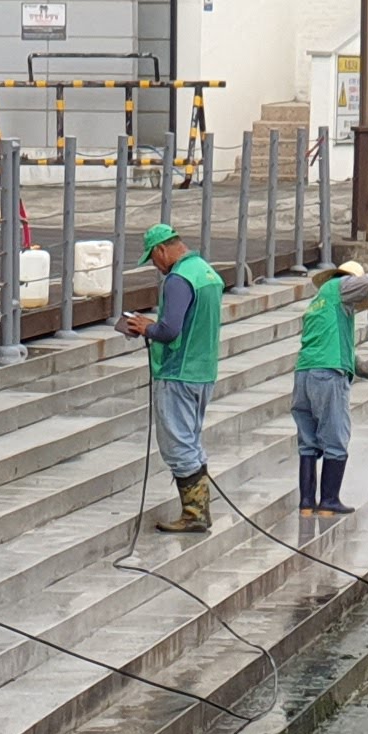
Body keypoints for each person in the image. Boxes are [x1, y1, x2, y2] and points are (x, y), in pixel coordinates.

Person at [115, 222, 224, 533]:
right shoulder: (206, 272)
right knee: (190, 440)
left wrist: (144, 327)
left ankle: (195, 515)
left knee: (178, 445)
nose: (156, 266)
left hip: (178, 373)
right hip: (203, 372)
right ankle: (198, 510)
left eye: (153, 258)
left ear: (162, 250)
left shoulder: (178, 280)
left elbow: (170, 329)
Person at [290, 267, 368, 518]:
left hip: (304, 374)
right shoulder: (339, 288)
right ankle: (329, 501)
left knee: (308, 442)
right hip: (327, 377)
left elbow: (346, 355)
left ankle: (307, 503)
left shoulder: (320, 304)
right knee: (336, 437)